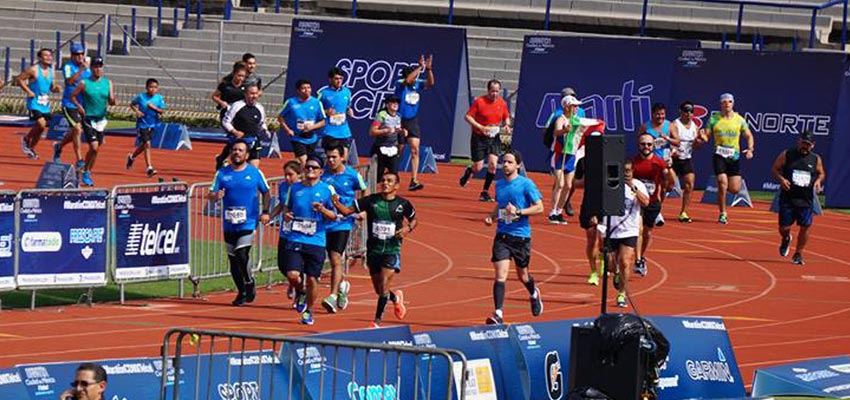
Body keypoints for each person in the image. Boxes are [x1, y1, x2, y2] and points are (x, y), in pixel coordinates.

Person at [332, 172, 416, 328]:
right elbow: (347, 211)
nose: (385, 183)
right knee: (380, 290)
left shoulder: (403, 204)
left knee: (384, 284)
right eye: (383, 180)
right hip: (373, 250)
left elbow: (414, 220)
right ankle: (396, 298)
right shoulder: (371, 201)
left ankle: (376, 322)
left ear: (396, 185)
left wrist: (407, 228)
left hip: (391, 249)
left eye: (389, 181)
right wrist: (336, 203)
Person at [483, 149, 544, 325]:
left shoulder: (526, 184)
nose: (506, 165)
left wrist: (519, 211)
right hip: (502, 235)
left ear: (517, 165)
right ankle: (498, 314)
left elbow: (539, 207)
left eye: (510, 162)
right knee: (500, 275)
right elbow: (499, 206)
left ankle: (533, 293)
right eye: (505, 162)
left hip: (521, 236)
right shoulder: (499, 184)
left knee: (523, 276)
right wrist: (491, 217)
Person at [209, 139, 271, 306]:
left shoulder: (255, 173)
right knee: (233, 260)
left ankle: (249, 282)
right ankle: (241, 291)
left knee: (241, 253)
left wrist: (265, 212)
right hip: (229, 223)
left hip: (248, 221)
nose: (237, 153)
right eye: (234, 150)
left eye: (240, 150)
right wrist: (216, 196)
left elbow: (266, 193)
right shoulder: (222, 173)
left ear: (247, 154)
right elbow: (211, 194)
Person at [282, 155, 337, 325]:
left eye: (314, 168)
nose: (310, 170)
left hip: (316, 240)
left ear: (321, 171)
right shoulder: (295, 188)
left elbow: (334, 215)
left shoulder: (328, 189)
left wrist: (322, 210)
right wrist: (287, 214)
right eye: (308, 168)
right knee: (292, 275)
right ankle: (301, 292)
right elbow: (286, 208)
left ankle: (309, 311)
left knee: (312, 279)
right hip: (296, 237)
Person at [320, 145, 367, 313]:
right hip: (324, 222)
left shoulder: (352, 174)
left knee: (335, 257)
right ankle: (341, 286)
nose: (331, 160)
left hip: (343, 222)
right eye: (328, 157)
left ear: (342, 157)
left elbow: (364, 190)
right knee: (327, 258)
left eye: (334, 157)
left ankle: (332, 296)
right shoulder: (323, 174)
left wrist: (361, 210)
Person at [598, 158, 650, 308]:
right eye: (623, 171)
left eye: (628, 171)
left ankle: (621, 294)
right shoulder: (611, 184)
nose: (626, 174)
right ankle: (615, 272)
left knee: (625, 262)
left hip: (629, 230)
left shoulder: (638, 185)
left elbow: (646, 202)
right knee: (611, 265)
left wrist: (633, 188)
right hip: (612, 229)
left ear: (632, 171)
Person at [698, 93, 755, 224]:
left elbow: (749, 136)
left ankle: (723, 193)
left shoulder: (739, 120)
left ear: (733, 103)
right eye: (724, 102)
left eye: (729, 102)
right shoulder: (714, 118)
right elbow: (707, 136)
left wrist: (750, 149)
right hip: (719, 155)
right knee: (722, 182)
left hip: (734, 157)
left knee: (734, 189)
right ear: (721, 104)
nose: (727, 104)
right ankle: (723, 213)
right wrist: (702, 137)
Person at [772, 131, 825, 265]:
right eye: (803, 143)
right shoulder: (787, 154)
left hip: (806, 199)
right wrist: (781, 179)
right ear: (799, 141)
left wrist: (818, 181)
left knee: (805, 226)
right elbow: (775, 169)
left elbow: (821, 173)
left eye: (808, 144)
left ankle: (798, 253)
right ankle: (786, 238)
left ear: (812, 145)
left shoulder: (815, 159)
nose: (805, 146)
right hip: (788, 198)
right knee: (783, 227)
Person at [459, 79, 512, 202]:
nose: (495, 94)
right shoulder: (479, 102)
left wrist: (507, 125)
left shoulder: (502, 103)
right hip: (479, 137)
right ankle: (469, 171)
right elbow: (467, 117)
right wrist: (481, 127)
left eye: (497, 91)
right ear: (488, 90)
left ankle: (485, 192)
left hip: (494, 137)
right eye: (492, 91)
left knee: (493, 165)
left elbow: (506, 117)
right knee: (478, 167)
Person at [69, 57, 116, 187]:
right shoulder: (84, 83)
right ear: (91, 69)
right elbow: (72, 96)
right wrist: (79, 106)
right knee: (94, 146)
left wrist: (113, 101)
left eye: (100, 66)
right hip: (88, 118)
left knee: (95, 150)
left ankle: (86, 171)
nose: (98, 69)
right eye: (95, 66)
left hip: (101, 120)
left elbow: (112, 99)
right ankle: (86, 171)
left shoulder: (108, 83)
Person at [543, 87, 586, 218]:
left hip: (571, 155)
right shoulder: (560, 118)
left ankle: (559, 211)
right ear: (567, 106)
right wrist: (564, 130)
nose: (577, 108)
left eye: (577, 106)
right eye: (574, 106)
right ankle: (552, 211)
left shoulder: (577, 119)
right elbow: (556, 132)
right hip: (559, 155)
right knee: (560, 184)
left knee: (568, 185)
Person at [632, 133, 670, 277]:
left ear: (653, 146)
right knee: (639, 230)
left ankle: (641, 256)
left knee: (647, 233)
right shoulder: (632, 162)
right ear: (638, 145)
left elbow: (668, 183)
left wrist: (669, 169)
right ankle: (638, 261)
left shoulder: (659, 163)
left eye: (649, 144)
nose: (646, 147)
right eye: (643, 144)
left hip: (653, 202)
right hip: (636, 202)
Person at [394, 54, 434, 191]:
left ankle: (414, 179)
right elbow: (408, 79)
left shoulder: (417, 84)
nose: (415, 80)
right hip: (399, 120)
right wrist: (420, 67)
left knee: (415, 149)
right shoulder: (401, 84)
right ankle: (392, 174)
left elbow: (430, 83)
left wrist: (428, 70)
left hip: (412, 121)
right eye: (414, 77)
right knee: (398, 150)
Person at [638, 103, 679, 227]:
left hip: (665, 161)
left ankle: (657, 207)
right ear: (653, 114)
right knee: (657, 186)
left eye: (662, 114)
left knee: (668, 186)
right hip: (651, 161)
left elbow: (677, 142)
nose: (660, 117)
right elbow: (639, 140)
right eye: (657, 114)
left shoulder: (670, 126)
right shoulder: (646, 126)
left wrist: (667, 138)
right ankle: (656, 211)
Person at [269, 160, 303, 303]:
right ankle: (294, 283)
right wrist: (269, 216)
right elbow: (282, 205)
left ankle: (300, 290)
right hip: (285, 231)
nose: (287, 178)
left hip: (300, 233)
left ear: (299, 175)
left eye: (291, 175)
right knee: (282, 265)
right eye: (285, 175)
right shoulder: (283, 186)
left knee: (295, 268)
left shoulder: (304, 187)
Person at [53, 43, 91, 169]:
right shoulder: (68, 66)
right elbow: (69, 81)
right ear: (72, 55)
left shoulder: (88, 69)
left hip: (82, 104)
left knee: (75, 131)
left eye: (81, 54)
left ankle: (59, 145)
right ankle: (79, 159)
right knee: (77, 129)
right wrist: (81, 69)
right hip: (69, 103)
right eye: (76, 54)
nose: (79, 57)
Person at [18, 48, 60, 159]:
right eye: (45, 55)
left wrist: (56, 89)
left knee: (42, 128)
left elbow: (52, 87)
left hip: (45, 103)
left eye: (50, 55)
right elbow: (20, 79)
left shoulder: (52, 71)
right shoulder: (34, 70)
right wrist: (29, 91)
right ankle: (26, 138)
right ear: (40, 58)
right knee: (41, 123)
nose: (48, 58)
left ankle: (31, 148)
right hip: (34, 102)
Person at [278, 78, 325, 165]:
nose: (307, 90)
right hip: (297, 138)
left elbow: (322, 121)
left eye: (309, 87)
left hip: (312, 138)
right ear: (298, 91)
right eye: (304, 88)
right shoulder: (291, 102)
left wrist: (312, 127)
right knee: (303, 161)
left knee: (308, 163)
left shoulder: (317, 103)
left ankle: (299, 174)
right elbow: (280, 117)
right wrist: (288, 130)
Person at [221, 83, 269, 168]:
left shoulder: (260, 108)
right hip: (239, 141)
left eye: (256, 93)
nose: (254, 96)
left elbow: (261, 122)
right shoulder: (237, 106)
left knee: (254, 169)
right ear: (245, 94)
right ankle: (222, 160)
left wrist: (265, 130)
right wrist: (235, 132)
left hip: (253, 141)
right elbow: (226, 122)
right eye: (251, 93)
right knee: (237, 167)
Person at [126, 78, 165, 177]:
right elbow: (132, 104)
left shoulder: (159, 98)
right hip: (142, 124)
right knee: (147, 144)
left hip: (153, 124)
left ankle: (132, 157)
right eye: (151, 87)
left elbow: (162, 111)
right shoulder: (141, 97)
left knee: (144, 145)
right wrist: (137, 111)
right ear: (147, 88)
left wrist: (154, 108)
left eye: (155, 87)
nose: (153, 89)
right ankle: (149, 168)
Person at [212, 62, 248, 170]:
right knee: (234, 137)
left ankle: (222, 158)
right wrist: (221, 102)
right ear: (234, 74)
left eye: (243, 76)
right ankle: (229, 161)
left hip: (239, 116)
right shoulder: (225, 85)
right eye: (239, 75)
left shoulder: (245, 87)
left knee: (234, 140)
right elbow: (214, 96)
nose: (240, 78)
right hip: (226, 115)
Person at [669, 101, 699, 223]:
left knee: (689, 184)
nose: (688, 113)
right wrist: (673, 150)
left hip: (686, 159)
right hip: (673, 159)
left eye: (691, 111)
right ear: (680, 111)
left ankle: (684, 212)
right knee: (667, 186)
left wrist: (699, 141)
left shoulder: (695, 127)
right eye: (686, 111)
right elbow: (668, 141)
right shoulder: (674, 125)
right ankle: (656, 211)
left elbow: (697, 147)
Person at [317, 67, 353, 160]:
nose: (339, 81)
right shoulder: (323, 93)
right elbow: (315, 111)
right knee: (332, 158)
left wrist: (349, 110)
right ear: (330, 79)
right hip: (329, 132)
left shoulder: (347, 92)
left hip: (344, 131)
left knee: (343, 159)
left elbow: (347, 106)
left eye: (341, 79)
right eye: (336, 79)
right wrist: (325, 112)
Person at [369, 95, 406, 182]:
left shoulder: (399, 116)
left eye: (397, 102)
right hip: (380, 148)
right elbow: (372, 132)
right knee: (377, 177)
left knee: (394, 176)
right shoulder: (382, 115)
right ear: (387, 105)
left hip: (393, 148)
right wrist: (385, 130)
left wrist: (402, 131)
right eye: (392, 102)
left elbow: (397, 130)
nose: (395, 104)